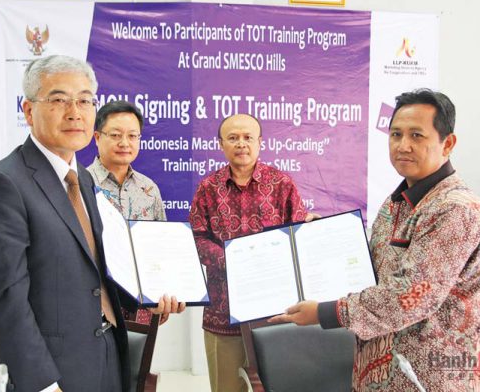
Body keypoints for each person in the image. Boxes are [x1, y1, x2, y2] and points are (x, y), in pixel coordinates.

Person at [0, 55, 180, 392]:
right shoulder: (2, 184)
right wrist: (42, 384)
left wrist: (145, 297)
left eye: (84, 100)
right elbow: (4, 299)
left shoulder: (83, 179)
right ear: (28, 111)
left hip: (108, 357)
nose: (74, 112)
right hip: (51, 371)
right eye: (58, 100)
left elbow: (92, 275)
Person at [270, 89, 480, 391]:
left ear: (447, 143)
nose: (403, 145)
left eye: (416, 135)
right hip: (379, 373)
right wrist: (324, 241)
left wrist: (324, 312)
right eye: (396, 134)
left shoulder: (455, 209)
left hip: (428, 377)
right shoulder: (397, 202)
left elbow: (411, 296)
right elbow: (374, 268)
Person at [189, 113, 312, 392]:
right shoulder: (208, 188)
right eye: (233, 138)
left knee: (275, 386)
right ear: (221, 144)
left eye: (248, 137)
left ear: (260, 142)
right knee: (226, 387)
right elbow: (196, 238)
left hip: (275, 311)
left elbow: (298, 237)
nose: (241, 144)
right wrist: (232, 260)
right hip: (223, 310)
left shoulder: (282, 184)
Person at [87, 100, 177, 325]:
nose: (124, 143)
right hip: (94, 304)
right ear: (97, 137)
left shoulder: (149, 189)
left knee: (140, 351)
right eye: (115, 135)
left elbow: (161, 248)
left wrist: (164, 291)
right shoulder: (81, 184)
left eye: (132, 136)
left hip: (143, 306)